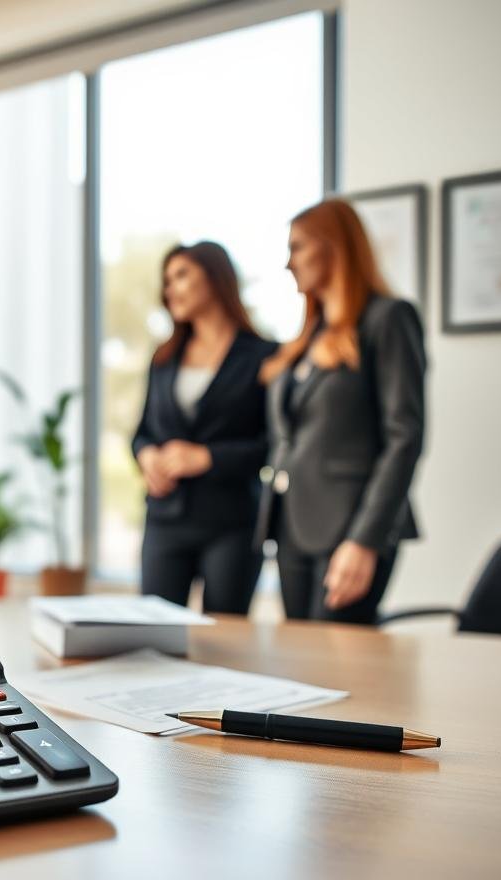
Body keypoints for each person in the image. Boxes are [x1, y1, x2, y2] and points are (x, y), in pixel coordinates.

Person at [256, 198, 427, 624]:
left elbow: (404, 436)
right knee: (304, 668)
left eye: (298, 247)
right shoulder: (308, 338)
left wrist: (364, 540)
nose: (288, 263)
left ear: (333, 246)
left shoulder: (389, 319)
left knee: (340, 670)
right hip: (293, 526)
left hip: (352, 526)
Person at [132, 241, 276, 612]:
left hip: (231, 521)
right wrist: (147, 456)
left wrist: (207, 458)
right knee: (153, 634)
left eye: (181, 275)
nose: (170, 289)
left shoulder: (262, 356)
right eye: (166, 281)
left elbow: (273, 444)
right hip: (165, 517)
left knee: (225, 638)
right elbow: (142, 431)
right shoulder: (164, 357)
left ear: (215, 278)